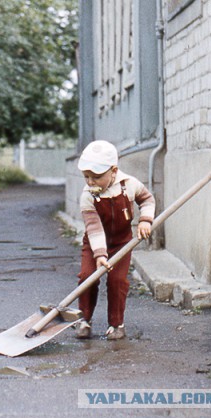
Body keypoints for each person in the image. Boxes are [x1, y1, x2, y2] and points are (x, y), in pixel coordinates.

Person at [75, 140, 155, 340]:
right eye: (86, 177)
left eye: (97, 177)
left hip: (122, 243)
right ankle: (84, 320)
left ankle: (117, 324)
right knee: (87, 277)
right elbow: (93, 227)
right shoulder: (87, 196)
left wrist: (145, 220)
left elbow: (147, 200)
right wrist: (100, 255)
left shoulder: (129, 185)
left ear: (113, 170)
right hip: (94, 244)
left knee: (117, 281)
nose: (91, 182)